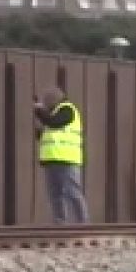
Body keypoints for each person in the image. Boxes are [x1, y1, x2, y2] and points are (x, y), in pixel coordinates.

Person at [34, 87, 88, 224]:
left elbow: (55, 122)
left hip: (67, 159)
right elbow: (47, 134)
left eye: (47, 103)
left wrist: (40, 111)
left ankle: (83, 223)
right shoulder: (54, 114)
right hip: (52, 160)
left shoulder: (67, 109)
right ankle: (60, 223)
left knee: (73, 192)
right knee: (55, 195)